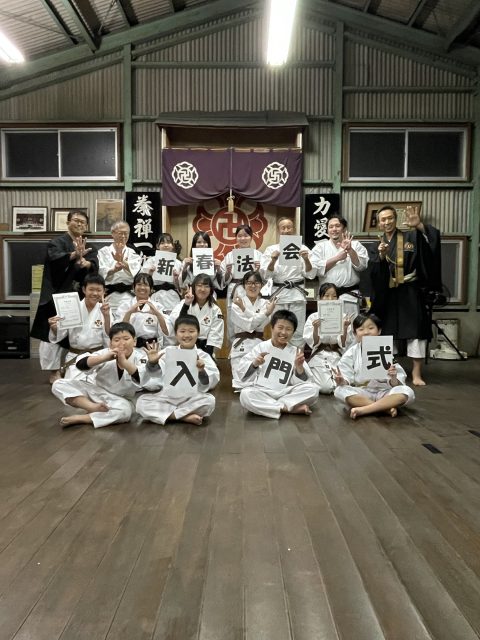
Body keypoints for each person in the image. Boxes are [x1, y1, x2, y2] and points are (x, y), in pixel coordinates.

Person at [369, 205, 441, 386]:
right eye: (383, 219)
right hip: (387, 293)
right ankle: (387, 371)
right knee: (386, 331)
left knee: (416, 331)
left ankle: (416, 374)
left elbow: (430, 246)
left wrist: (420, 227)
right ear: (379, 223)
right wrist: (381, 256)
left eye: (390, 218)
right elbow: (372, 272)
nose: (387, 222)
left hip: (410, 290)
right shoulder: (376, 244)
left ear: (396, 219)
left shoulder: (412, 236)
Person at [31, 210, 98, 384]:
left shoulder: (89, 245)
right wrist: (74, 255)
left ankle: (71, 366)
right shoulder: (56, 242)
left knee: (75, 333)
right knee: (53, 332)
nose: (80, 224)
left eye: (83, 222)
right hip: (57, 295)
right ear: (68, 223)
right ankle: (54, 371)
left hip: (79, 297)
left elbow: (94, 265)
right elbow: (55, 260)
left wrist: (87, 263)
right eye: (76, 220)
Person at [51, 322, 161, 428]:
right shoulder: (105, 353)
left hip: (121, 400)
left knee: (126, 411)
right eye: (116, 340)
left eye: (126, 339)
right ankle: (92, 408)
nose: (122, 343)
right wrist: (104, 358)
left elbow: (144, 379)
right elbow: (81, 364)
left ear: (134, 341)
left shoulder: (141, 357)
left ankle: (84, 418)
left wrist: (126, 363)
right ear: (110, 343)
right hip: (96, 392)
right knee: (58, 384)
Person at [136, 316, 220, 426]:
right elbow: (155, 374)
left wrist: (201, 371)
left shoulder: (203, 356)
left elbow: (210, 383)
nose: (187, 335)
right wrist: (152, 363)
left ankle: (169, 415)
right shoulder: (167, 351)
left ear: (198, 333)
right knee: (141, 403)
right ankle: (184, 417)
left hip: (191, 398)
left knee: (209, 401)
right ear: (176, 334)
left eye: (191, 331)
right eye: (182, 331)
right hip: (167, 397)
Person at [237, 310, 318, 419]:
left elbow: (305, 381)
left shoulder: (295, 351)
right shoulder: (261, 347)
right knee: (245, 394)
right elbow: (242, 374)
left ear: (293, 332)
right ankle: (287, 408)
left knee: (313, 389)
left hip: (285, 392)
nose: (283, 332)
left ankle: (273, 406)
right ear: (272, 328)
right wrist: (255, 363)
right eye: (280, 327)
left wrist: (299, 368)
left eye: (288, 329)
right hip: (263, 391)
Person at [333, 313, 415, 420]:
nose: (366, 332)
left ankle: (365, 409)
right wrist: (342, 380)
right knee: (340, 390)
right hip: (363, 393)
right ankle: (385, 408)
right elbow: (345, 378)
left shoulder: (385, 351)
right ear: (355, 334)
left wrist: (394, 377)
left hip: (385, 392)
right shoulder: (351, 353)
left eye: (371, 328)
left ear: (379, 331)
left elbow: (397, 383)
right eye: (361, 329)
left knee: (407, 391)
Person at [260, 217, 315, 347]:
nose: (286, 230)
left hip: (297, 294)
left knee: (297, 330)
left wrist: (306, 259)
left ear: (294, 229)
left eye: (289, 227)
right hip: (279, 294)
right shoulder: (271, 250)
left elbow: (311, 274)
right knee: (278, 329)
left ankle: (297, 357)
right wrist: (273, 260)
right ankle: (277, 355)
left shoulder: (303, 248)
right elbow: (266, 275)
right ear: (279, 230)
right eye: (283, 228)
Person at [47, 274, 112, 379]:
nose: (95, 293)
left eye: (99, 290)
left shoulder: (105, 309)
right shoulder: (71, 307)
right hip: (75, 356)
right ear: (84, 290)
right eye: (91, 289)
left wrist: (106, 316)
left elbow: (109, 335)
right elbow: (60, 334)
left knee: (98, 383)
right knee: (72, 383)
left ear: (104, 291)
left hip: (97, 356)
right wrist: (54, 327)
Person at [303, 282, 354, 393]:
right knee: (325, 387)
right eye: (326, 295)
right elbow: (314, 343)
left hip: (338, 354)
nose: (330, 299)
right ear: (320, 298)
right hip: (320, 353)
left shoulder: (344, 317)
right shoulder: (313, 317)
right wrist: (315, 328)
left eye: (334, 296)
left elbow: (344, 343)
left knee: (341, 382)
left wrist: (345, 328)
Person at [310, 215, 368, 312]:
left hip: (349, 297)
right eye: (331, 227)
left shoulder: (356, 245)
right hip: (327, 297)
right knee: (327, 322)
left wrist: (350, 250)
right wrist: (337, 258)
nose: (334, 229)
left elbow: (361, 266)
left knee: (350, 322)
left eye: (337, 226)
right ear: (327, 230)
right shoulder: (320, 247)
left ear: (344, 229)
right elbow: (314, 270)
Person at [229, 270, 276, 389]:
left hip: (259, 344)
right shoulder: (236, 303)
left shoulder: (266, 304)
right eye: (249, 283)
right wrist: (265, 313)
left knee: (261, 382)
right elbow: (248, 326)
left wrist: (244, 310)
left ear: (261, 285)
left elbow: (260, 324)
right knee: (241, 382)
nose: (252, 286)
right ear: (244, 285)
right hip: (241, 345)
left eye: (256, 283)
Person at [220, 225, 263, 341]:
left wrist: (258, 271)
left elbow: (264, 278)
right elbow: (223, 280)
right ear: (236, 238)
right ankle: (233, 348)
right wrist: (228, 272)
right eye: (239, 236)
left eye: (246, 235)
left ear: (251, 237)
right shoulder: (230, 256)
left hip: (252, 289)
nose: (243, 239)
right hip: (235, 289)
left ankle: (254, 345)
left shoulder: (258, 255)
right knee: (232, 321)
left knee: (252, 317)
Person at [168, 273, 224, 356]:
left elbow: (215, 334)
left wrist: (207, 354)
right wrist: (186, 305)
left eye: (206, 286)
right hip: (185, 345)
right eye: (199, 286)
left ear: (211, 289)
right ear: (194, 288)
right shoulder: (184, 303)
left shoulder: (215, 309)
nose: (203, 289)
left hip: (206, 348)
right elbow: (177, 323)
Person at [97, 222, 142, 315]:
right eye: (120, 233)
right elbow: (100, 272)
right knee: (108, 319)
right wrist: (113, 270)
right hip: (109, 294)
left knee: (128, 319)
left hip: (128, 295)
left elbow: (136, 271)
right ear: (113, 233)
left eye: (126, 233)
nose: (123, 236)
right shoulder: (103, 252)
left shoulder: (133, 252)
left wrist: (123, 263)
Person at [116, 273, 169, 348]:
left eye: (146, 285)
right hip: (130, 347)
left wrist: (157, 314)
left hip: (152, 347)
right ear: (133, 287)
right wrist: (129, 313)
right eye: (139, 284)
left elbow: (166, 332)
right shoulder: (125, 306)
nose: (142, 287)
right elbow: (119, 331)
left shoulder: (158, 307)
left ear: (151, 289)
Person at [142, 232, 183, 314]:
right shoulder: (151, 261)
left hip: (173, 296)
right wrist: (150, 274)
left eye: (168, 242)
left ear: (172, 245)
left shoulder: (178, 263)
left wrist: (176, 279)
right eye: (162, 243)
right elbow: (142, 281)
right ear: (157, 246)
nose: (166, 245)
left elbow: (182, 287)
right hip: (156, 295)